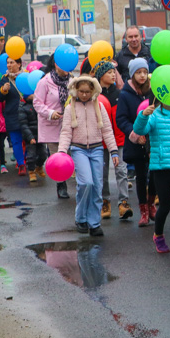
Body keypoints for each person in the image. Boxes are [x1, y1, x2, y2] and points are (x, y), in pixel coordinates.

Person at [57, 74, 119, 237]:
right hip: (79, 149)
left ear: (93, 91)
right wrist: (62, 152)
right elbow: (66, 132)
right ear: (76, 90)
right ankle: (81, 218)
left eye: (87, 91)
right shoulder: (70, 107)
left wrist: (113, 150)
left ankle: (94, 223)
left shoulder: (99, 106)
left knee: (97, 186)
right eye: (81, 91)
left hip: (97, 149)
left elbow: (107, 130)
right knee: (86, 183)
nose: (84, 94)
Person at [134, 96, 170, 257]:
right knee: (165, 206)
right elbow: (140, 130)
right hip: (160, 168)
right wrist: (143, 115)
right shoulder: (154, 116)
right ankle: (158, 235)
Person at [116, 58, 156, 226]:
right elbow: (121, 119)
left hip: (152, 140)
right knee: (140, 176)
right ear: (132, 74)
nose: (142, 76)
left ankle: (151, 203)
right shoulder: (125, 94)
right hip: (136, 140)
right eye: (138, 72)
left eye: (145, 72)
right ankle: (143, 210)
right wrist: (135, 132)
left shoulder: (152, 92)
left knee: (154, 174)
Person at [95, 61, 132, 220]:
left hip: (120, 139)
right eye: (109, 72)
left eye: (114, 72)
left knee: (121, 171)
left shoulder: (120, 94)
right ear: (101, 75)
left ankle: (123, 203)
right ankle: (105, 201)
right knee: (102, 173)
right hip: (101, 140)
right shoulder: (95, 95)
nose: (113, 75)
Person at [33, 55, 71, 199]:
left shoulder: (72, 81)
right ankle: (61, 185)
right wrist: (50, 113)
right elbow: (37, 103)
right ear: (56, 64)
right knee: (58, 156)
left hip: (68, 124)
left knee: (72, 154)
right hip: (52, 125)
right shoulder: (45, 82)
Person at [0, 57, 27, 175]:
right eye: (7, 63)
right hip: (12, 115)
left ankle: (28, 160)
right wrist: (3, 90)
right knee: (16, 141)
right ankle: (21, 164)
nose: (9, 65)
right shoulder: (5, 79)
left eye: (12, 62)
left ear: (19, 64)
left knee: (29, 139)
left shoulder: (26, 77)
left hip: (26, 113)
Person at [18, 91, 47, 183]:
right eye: (31, 93)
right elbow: (23, 124)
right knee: (31, 155)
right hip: (30, 135)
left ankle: (39, 167)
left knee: (43, 154)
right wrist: (30, 137)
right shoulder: (23, 107)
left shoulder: (40, 105)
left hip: (40, 134)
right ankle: (31, 171)